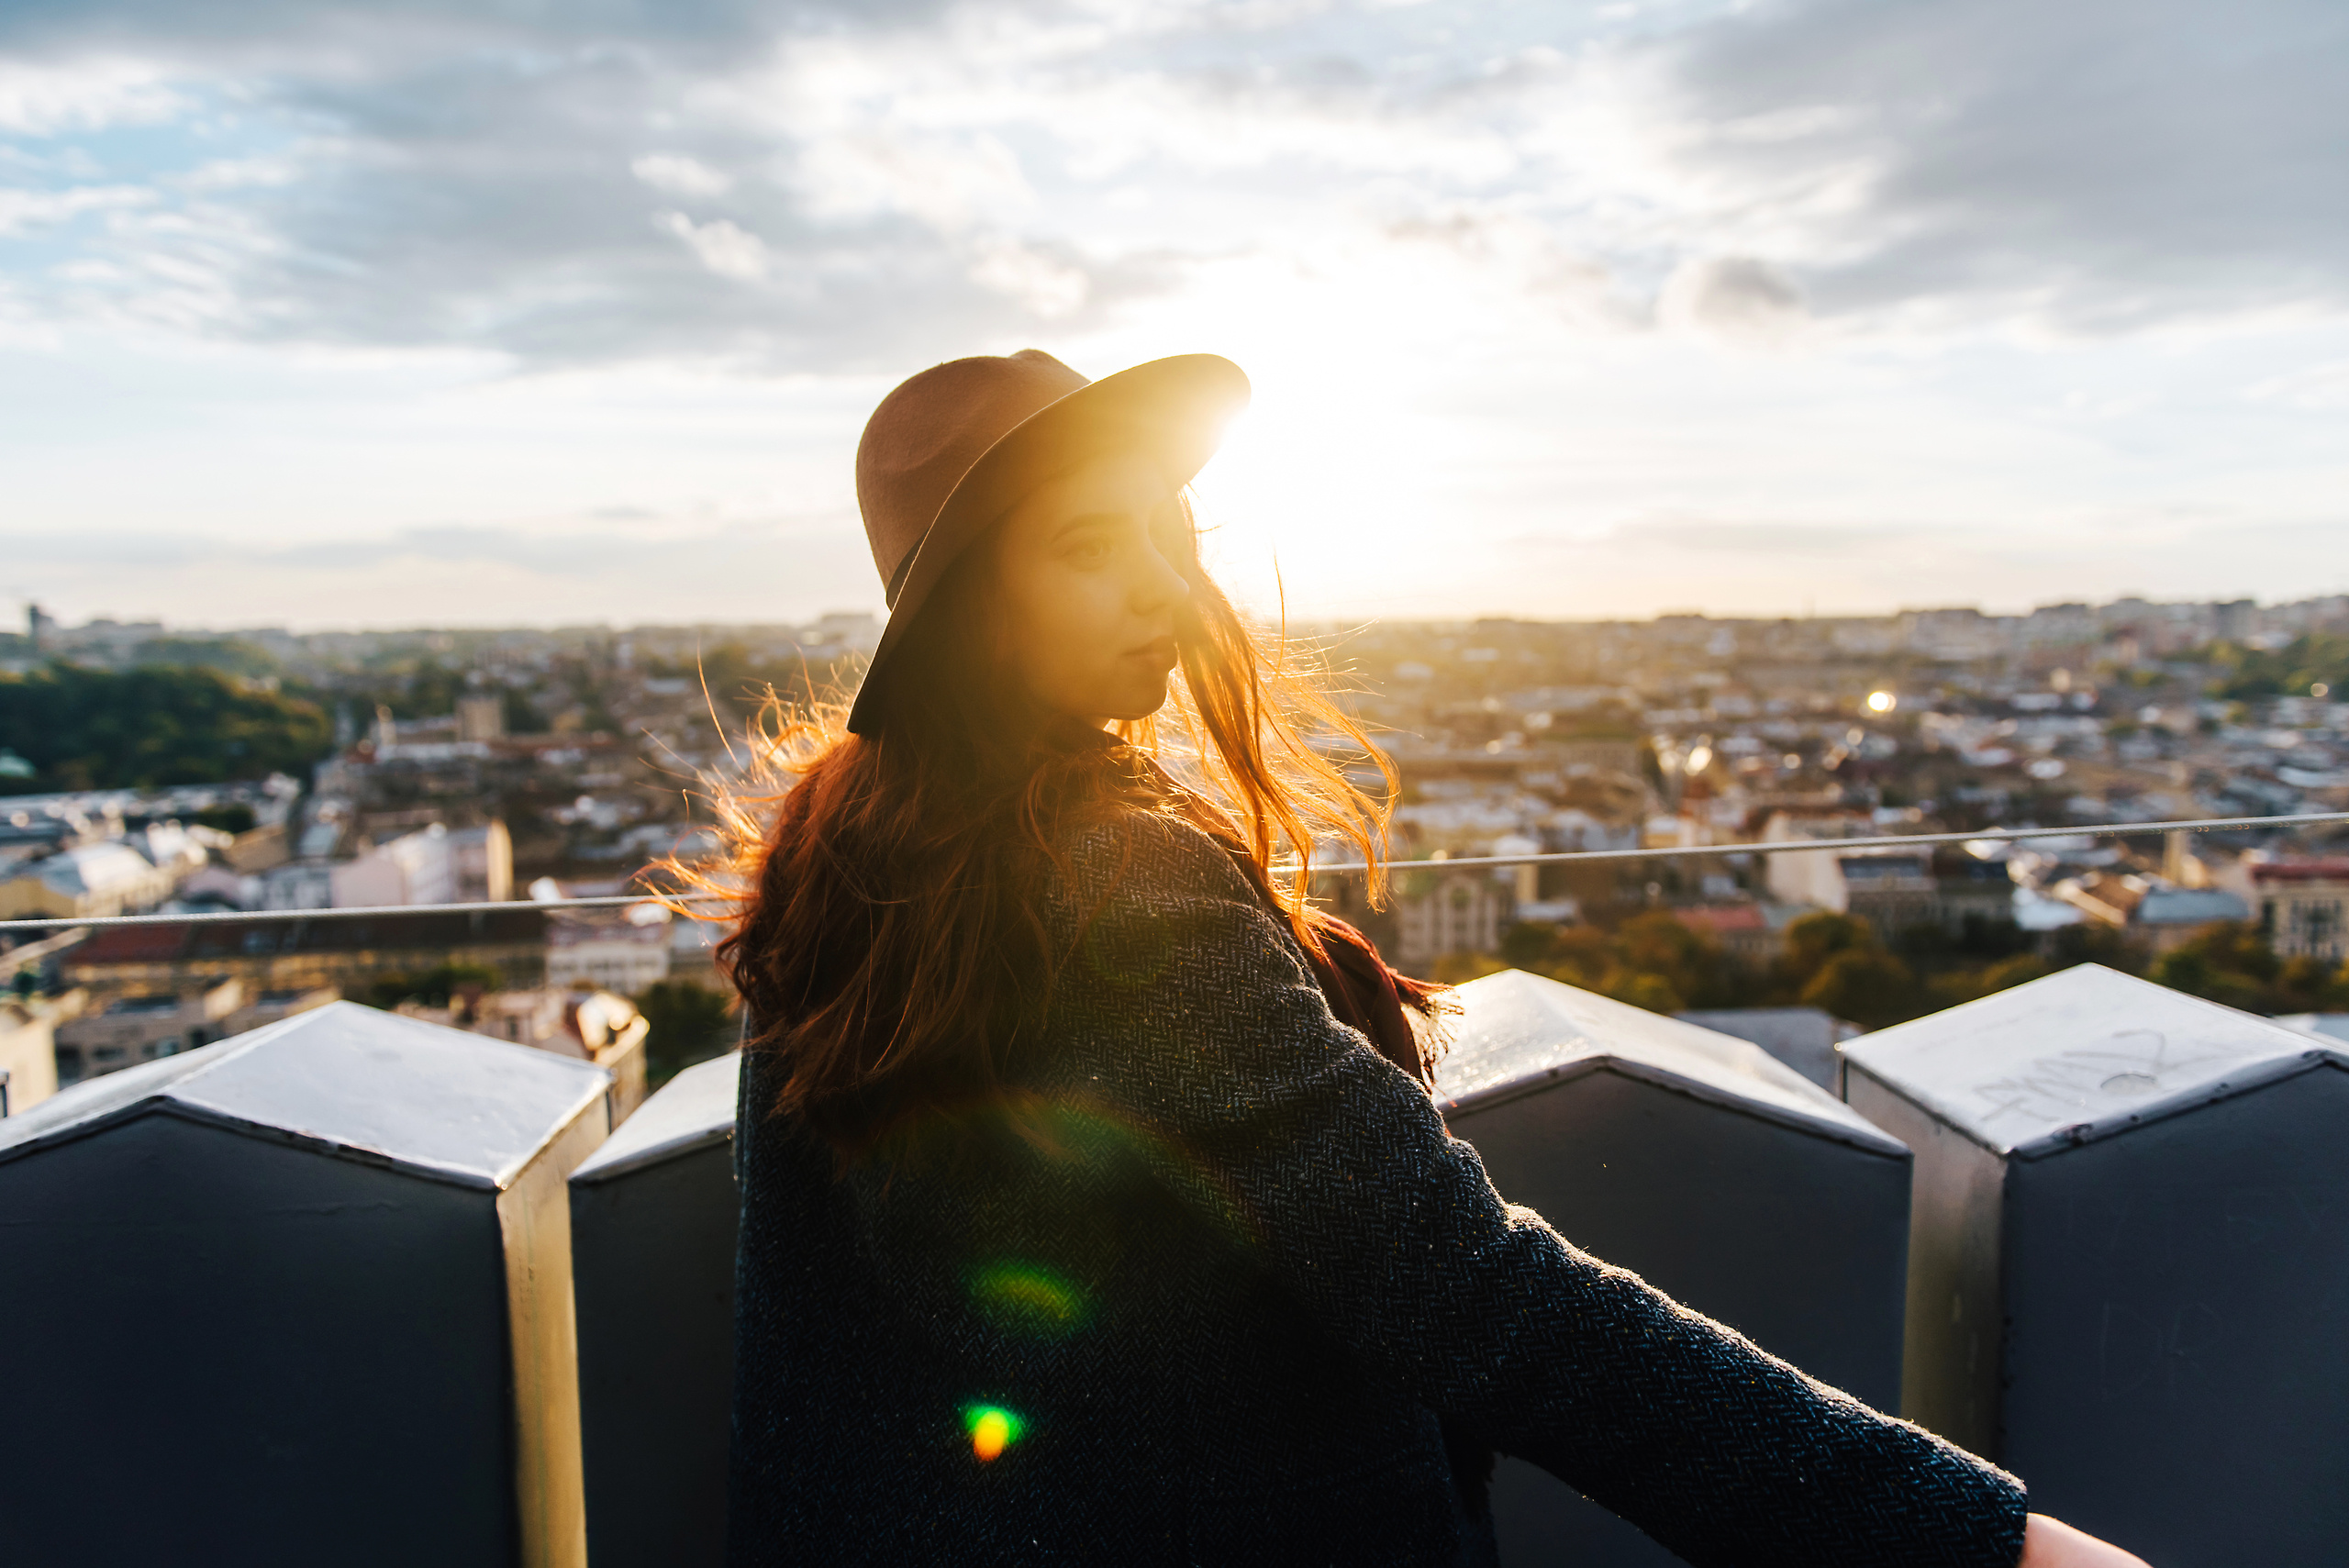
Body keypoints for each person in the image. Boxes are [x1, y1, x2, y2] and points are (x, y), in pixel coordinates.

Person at [709, 350, 2154, 1566]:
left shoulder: (853, 858)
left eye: (1171, 531)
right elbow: (1469, 1293)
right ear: (970, 611)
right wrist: (1975, 1542)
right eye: (1092, 545)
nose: (1163, 587)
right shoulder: (1107, 872)